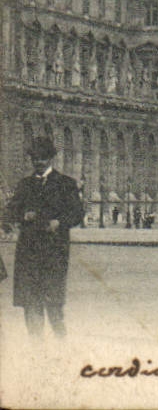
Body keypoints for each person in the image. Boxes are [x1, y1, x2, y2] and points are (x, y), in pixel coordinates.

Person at [6, 136, 82, 338]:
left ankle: (61, 345)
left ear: (51, 159)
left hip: (53, 252)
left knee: (53, 306)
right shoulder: (25, 185)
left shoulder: (66, 184)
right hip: (28, 253)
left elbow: (77, 213)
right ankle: (36, 349)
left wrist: (60, 222)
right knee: (31, 305)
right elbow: (9, 211)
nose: (38, 162)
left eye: (42, 158)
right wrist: (23, 215)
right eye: (34, 158)